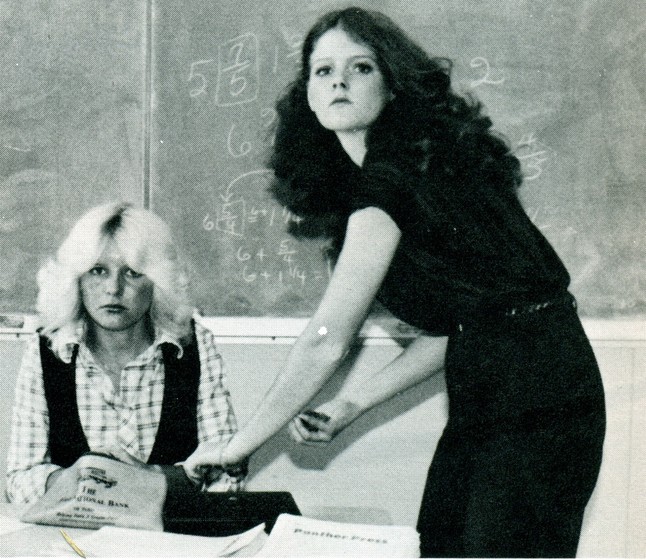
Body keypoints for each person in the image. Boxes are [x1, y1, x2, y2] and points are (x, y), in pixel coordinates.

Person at [184, 7, 606, 557]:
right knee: (439, 547)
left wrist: (237, 447)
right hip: (496, 383)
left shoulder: (395, 176)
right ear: (307, 95)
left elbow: (326, 340)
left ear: (392, 86)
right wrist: (352, 403)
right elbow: (460, 326)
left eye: (360, 67)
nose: (338, 81)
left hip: (539, 396)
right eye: (323, 70)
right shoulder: (395, 175)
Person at [6, 202, 245, 504]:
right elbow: (20, 480)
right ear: (76, 279)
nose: (113, 288)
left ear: (158, 281)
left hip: (169, 532)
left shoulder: (194, 346)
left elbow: (226, 477)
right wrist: (75, 478)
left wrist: (145, 478)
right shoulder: (46, 350)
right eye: (98, 271)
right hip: (75, 530)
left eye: (132, 273)